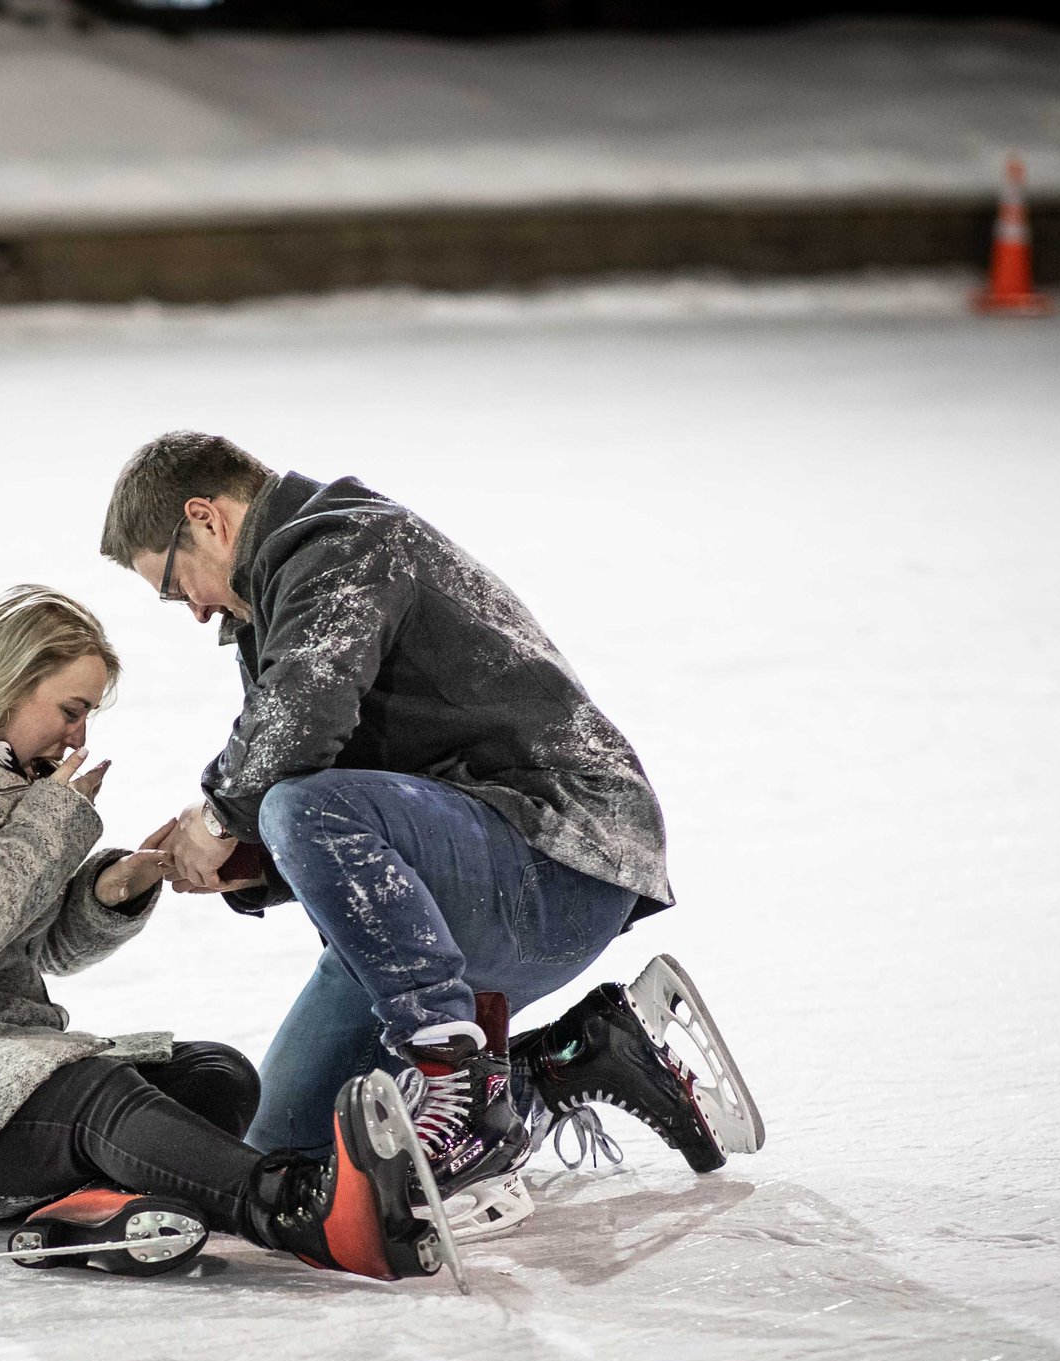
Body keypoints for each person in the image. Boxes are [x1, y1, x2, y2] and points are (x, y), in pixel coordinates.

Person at [97, 433, 727, 1203]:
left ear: (208, 518)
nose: (192, 610)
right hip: (474, 884)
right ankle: (568, 1060)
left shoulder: (345, 541)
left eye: (172, 584)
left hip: (558, 862)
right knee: (290, 1155)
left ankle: (454, 1081)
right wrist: (243, 854)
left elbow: (297, 737)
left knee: (297, 803)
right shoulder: (288, 587)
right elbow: (336, 784)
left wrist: (224, 814)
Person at [0, 585, 444, 1282]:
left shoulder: (13, 779)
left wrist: (109, 891)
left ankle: (95, 1206)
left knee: (215, 1076)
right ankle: (301, 1208)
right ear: (5, 683)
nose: (78, 737)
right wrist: (47, 820)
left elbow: (39, 947)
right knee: (91, 1094)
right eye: (70, 709)